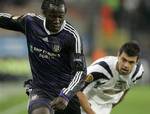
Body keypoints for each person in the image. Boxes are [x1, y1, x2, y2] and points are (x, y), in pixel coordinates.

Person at [0, 0, 86, 114]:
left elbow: (80, 72)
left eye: (60, 16)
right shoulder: (30, 23)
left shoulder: (72, 36)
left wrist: (66, 95)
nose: (57, 21)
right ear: (44, 13)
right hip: (41, 90)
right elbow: (7, 20)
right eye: (52, 16)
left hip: (66, 92)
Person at [77, 41, 144, 114]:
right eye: (123, 60)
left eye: (131, 62)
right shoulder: (100, 69)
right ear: (118, 55)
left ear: (137, 61)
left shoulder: (138, 73)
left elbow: (127, 87)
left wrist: (114, 103)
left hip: (106, 104)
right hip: (88, 100)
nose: (126, 65)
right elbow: (78, 90)